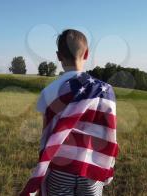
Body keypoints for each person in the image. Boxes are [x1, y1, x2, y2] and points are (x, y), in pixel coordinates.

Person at [20, 29, 118, 196]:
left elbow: (47, 133)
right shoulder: (105, 90)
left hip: (60, 167)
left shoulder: (49, 91)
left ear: (58, 56)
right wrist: (108, 166)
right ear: (86, 53)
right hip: (91, 169)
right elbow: (110, 133)